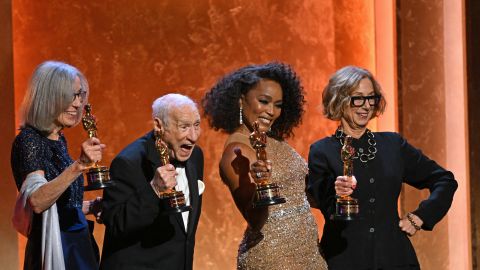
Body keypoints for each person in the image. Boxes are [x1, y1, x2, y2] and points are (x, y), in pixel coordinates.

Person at [307, 65, 458, 270]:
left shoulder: (393, 145)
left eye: (371, 98)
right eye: (358, 98)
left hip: (396, 259)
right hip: (345, 260)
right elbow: (321, 201)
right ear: (339, 99)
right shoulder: (322, 150)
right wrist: (335, 193)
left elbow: (445, 180)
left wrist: (421, 216)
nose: (367, 105)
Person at [202, 62, 328, 269]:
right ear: (241, 101)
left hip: (310, 255)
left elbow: (300, 194)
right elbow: (255, 219)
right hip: (273, 258)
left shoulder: (271, 140)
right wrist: (262, 183)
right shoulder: (237, 151)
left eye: (278, 105)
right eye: (264, 101)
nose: (271, 111)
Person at [11, 61, 104, 270]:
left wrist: (90, 207)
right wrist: (79, 165)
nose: (78, 103)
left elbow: (60, 205)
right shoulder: (29, 140)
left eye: (80, 95)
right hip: (59, 248)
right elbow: (37, 201)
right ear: (49, 98)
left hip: (77, 244)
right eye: (70, 96)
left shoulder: (58, 138)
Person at [100, 93, 205, 270]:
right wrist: (154, 190)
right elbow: (116, 225)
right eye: (184, 127)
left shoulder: (195, 156)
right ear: (159, 126)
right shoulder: (128, 162)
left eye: (196, 125)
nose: (193, 137)